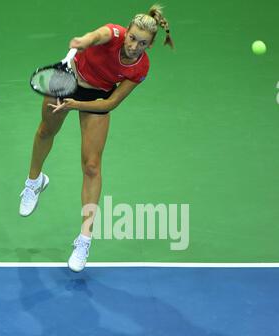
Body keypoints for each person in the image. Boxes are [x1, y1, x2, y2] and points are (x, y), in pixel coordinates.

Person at [19, 4, 173, 272]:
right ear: (126, 32)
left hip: (96, 99)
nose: (135, 45)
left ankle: (84, 239)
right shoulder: (113, 34)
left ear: (150, 45)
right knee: (46, 130)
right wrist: (82, 42)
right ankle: (34, 182)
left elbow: (111, 102)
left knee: (92, 166)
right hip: (68, 78)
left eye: (143, 43)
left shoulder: (140, 68)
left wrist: (74, 105)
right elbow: (95, 36)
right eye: (133, 37)